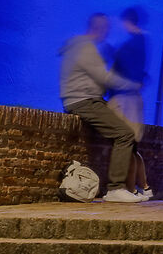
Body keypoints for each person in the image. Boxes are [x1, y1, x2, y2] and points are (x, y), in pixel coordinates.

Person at [60, 13, 149, 203]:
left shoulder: (81, 47)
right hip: (84, 101)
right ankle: (116, 189)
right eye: (106, 29)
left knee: (124, 131)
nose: (108, 33)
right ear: (99, 28)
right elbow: (105, 78)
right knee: (124, 134)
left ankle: (132, 187)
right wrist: (133, 85)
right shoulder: (85, 48)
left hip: (87, 99)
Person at [106, 6, 149, 130]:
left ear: (126, 21)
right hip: (126, 94)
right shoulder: (139, 41)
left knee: (122, 134)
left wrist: (113, 53)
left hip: (124, 95)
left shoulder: (136, 41)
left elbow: (128, 65)